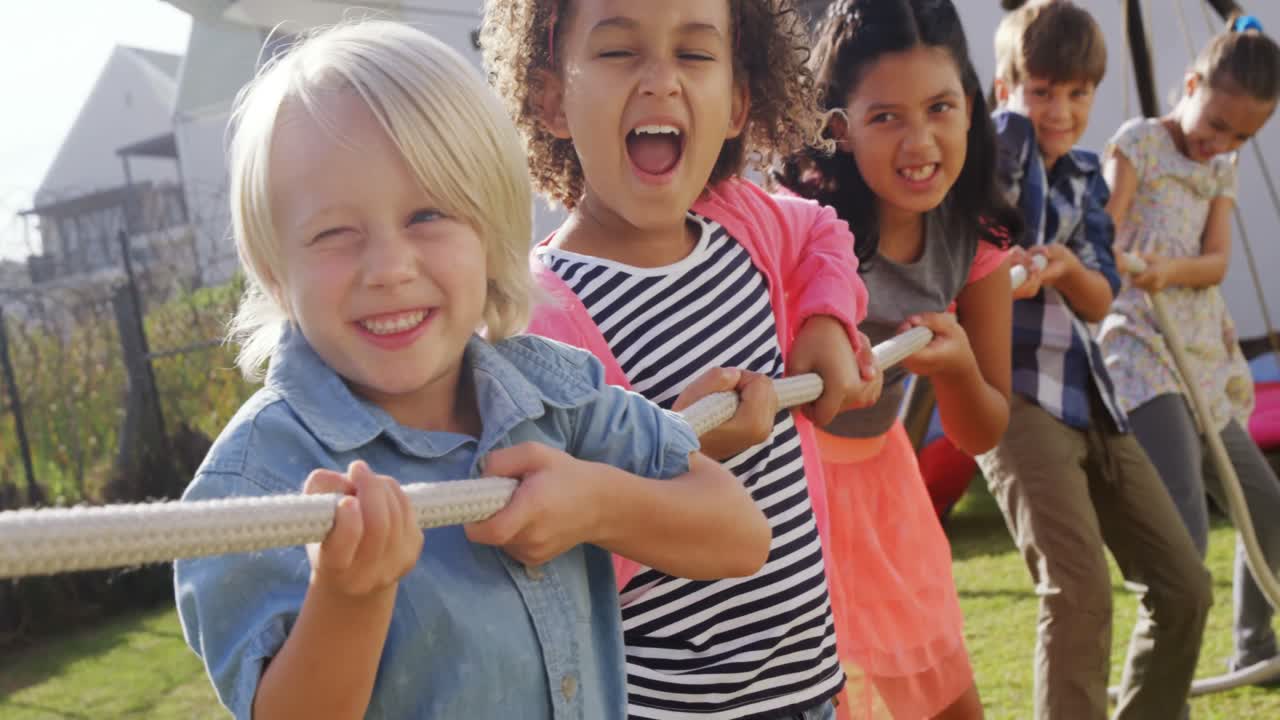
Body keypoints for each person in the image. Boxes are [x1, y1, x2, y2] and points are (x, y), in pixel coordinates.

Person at [173, 21, 770, 720]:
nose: (390, 268)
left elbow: (740, 535)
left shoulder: (557, 396)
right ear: (276, 271)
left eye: (428, 215)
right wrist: (351, 598)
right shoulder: (254, 486)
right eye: (335, 233)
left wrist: (596, 503)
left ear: (491, 235)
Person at [482, 1, 882, 717]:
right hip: (666, 706)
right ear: (551, 99)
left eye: (694, 54)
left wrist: (825, 321)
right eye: (617, 53)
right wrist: (680, 448)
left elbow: (823, 233)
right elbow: (560, 538)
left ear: (736, 102)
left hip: (810, 682)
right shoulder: (540, 314)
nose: (661, 81)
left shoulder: (744, 222)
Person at [774, 1, 1024, 716]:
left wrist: (956, 369)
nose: (920, 141)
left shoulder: (974, 237)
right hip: (796, 501)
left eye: (940, 107)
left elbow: (983, 430)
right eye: (885, 117)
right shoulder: (798, 227)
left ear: (971, 110)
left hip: (888, 498)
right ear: (839, 130)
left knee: (951, 702)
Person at [980, 2, 1213, 717]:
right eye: (1042, 90)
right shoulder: (992, 153)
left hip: (1092, 396)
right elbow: (1006, 170)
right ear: (1005, 89)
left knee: (1184, 586)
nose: (1060, 110)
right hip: (1017, 397)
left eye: (1078, 94)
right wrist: (1014, 117)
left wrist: (1059, 266)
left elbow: (1099, 294)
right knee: (1078, 591)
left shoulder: (1085, 172)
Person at [1099, 13, 1280, 679]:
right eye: (1216, 124)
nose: (1221, 142)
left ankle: (1254, 645)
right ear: (1190, 83)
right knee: (1185, 525)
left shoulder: (1220, 169)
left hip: (1201, 351)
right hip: (1143, 349)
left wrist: (1168, 270)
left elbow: (1215, 263)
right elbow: (1104, 236)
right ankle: (1159, 680)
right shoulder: (1140, 143)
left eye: (1242, 135)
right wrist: (1126, 262)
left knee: (1267, 508)